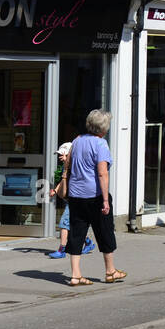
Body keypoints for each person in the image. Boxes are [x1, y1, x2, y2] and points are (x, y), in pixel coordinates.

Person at [61, 109, 124, 286]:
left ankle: (75, 275)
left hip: (75, 194)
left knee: (77, 232)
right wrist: (105, 200)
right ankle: (110, 271)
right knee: (104, 231)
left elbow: (68, 163)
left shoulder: (77, 140)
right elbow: (102, 174)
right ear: (103, 128)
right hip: (94, 195)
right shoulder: (101, 144)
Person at [48, 142, 95, 259]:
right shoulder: (66, 167)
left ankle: (62, 250)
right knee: (74, 225)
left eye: (62, 154)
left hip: (76, 199)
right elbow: (64, 181)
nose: (60, 157)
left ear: (70, 154)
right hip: (72, 199)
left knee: (64, 223)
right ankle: (88, 242)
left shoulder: (75, 167)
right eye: (59, 154)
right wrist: (56, 190)